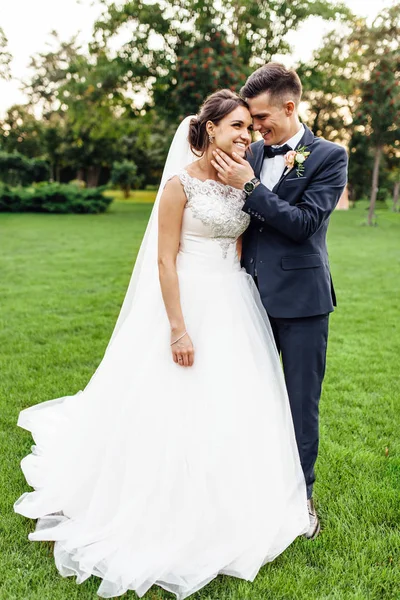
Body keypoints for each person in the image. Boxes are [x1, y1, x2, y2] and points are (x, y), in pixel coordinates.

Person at [14, 90, 309, 600]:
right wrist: (178, 327)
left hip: (233, 303)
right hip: (186, 302)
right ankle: (160, 503)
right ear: (210, 128)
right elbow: (165, 260)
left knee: (232, 404)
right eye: (235, 126)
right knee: (174, 401)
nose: (245, 135)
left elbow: (239, 246)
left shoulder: (243, 181)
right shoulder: (180, 185)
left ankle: (229, 503)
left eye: (248, 127)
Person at [210, 64, 348, 540]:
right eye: (250, 118)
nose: (256, 128)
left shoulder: (330, 156)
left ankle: (301, 498)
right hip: (244, 300)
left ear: (290, 108)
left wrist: (250, 187)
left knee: (299, 404)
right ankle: (248, 491)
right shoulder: (250, 149)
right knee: (247, 400)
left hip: (304, 303)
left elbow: (304, 223)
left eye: (263, 117)